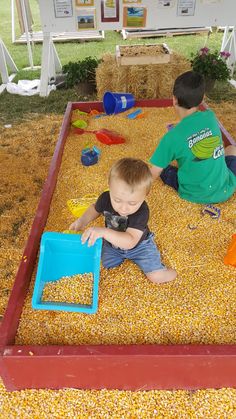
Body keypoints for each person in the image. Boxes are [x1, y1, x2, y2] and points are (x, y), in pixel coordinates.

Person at [69, 158, 177, 284]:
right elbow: (95, 209)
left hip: (139, 246)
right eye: (117, 200)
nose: (123, 208)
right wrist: (81, 221)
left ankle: (171, 272)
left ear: (145, 196)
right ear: (109, 187)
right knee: (105, 265)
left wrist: (103, 232)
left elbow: (130, 241)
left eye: (132, 203)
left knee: (156, 277)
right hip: (112, 245)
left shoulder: (142, 211)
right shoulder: (105, 198)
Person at [149, 71, 236, 204]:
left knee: (165, 170)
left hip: (193, 194)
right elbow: (194, 127)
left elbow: (153, 174)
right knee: (231, 148)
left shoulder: (171, 137)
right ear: (202, 99)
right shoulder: (210, 116)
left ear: (174, 99)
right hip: (225, 189)